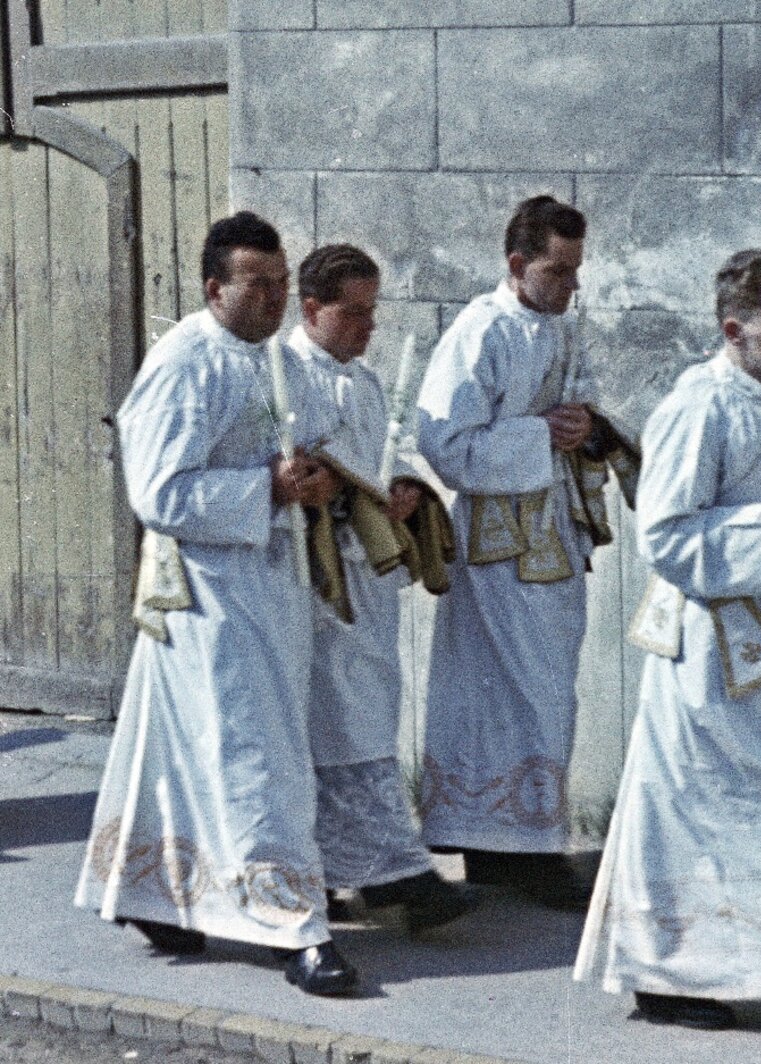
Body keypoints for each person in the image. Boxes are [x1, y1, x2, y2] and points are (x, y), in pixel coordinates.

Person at [74, 212, 359, 997]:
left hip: (274, 581)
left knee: (195, 750)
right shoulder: (183, 362)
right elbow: (159, 493)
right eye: (256, 284)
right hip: (210, 592)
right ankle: (293, 925)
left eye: (280, 283)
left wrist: (320, 476)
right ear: (213, 288)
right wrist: (267, 487)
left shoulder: (276, 358)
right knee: (253, 755)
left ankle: (160, 896)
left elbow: (317, 435)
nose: (273, 298)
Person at [574, 249, 761, 1030]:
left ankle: (760, 964)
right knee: (688, 811)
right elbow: (664, 535)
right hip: (706, 645)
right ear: (733, 329)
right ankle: (662, 973)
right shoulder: (696, 406)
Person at [415, 195, 600, 908]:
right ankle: (508, 849)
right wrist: (537, 435)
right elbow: (444, 444)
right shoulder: (479, 331)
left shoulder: (562, 327)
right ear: (517, 264)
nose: (570, 285)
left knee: (549, 685)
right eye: (557, 271)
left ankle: (523, 840)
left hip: (553, 534)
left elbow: (581, 406)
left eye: (576, 271)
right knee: (503, 691)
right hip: (496, 546)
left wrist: (584, 426)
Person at [288, 243, 477, 930]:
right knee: (333, 722)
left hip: (366, 578)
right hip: (316, 579)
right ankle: (390, 875)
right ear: (312, 308)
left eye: (373, 311)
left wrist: (400, 487)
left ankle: (361, 872)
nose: (369, 327)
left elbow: (382, 458)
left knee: (366, 715)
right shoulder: (285, 378)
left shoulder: (365, 383)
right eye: (354, 313)